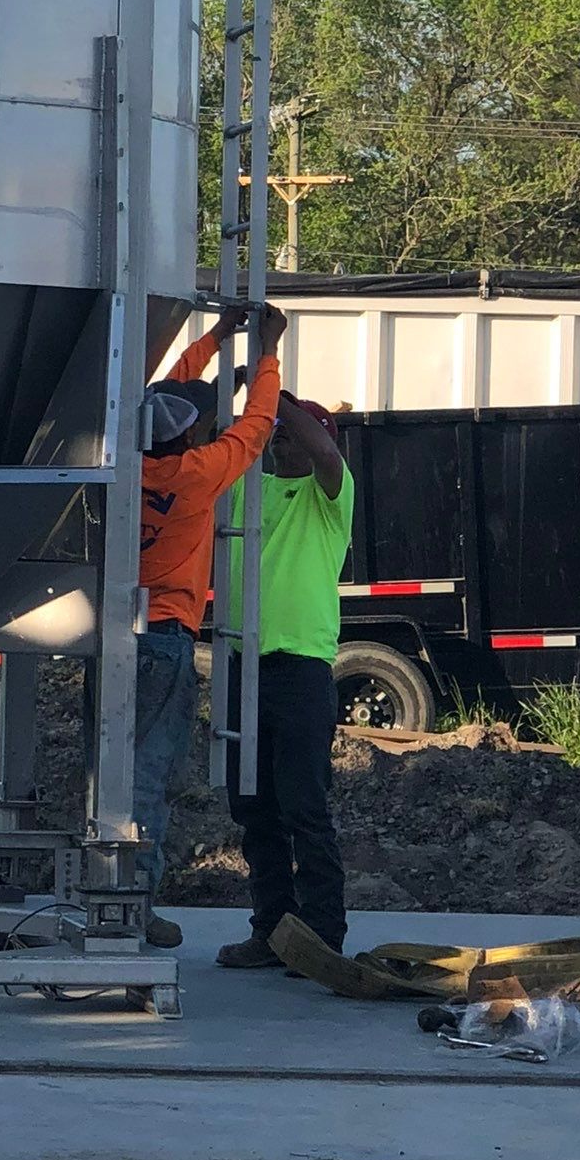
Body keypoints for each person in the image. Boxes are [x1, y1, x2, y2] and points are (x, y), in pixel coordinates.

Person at [128, 300, 285, 948]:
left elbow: (156, 396)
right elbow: (256, 427)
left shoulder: (121, 465)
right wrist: (268, 353)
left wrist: (215, 338)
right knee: (147, 780)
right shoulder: (195, 476)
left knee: (99, 774)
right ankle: (130, 906)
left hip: (109, 637)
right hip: (165, 640)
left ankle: (97, 890)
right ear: (189, 437)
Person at [213, 388, 355, 971]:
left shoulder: (329, 497)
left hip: (300, 670)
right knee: (253, 807)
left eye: (286, 434)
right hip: (242, 665)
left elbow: (323, 450)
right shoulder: (253, 490)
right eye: (274, 434)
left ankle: (321, 935)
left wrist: (272, 395)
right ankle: (271, 931)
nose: (278, 442)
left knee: (304, 807)